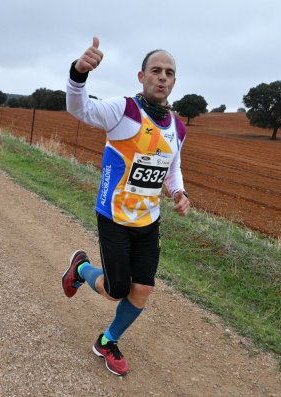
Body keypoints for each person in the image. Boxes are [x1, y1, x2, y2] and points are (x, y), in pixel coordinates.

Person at [62, 37, 190, 376]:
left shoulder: (177, 127)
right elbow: (80, 109)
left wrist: (180, 193)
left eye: (169, 73)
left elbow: (172, 167)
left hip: (148, 221)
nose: (162, 77)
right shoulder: (123, 110)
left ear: (174, 81)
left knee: (143, 288)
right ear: (141, 76)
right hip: (114, 216)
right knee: (117, 290)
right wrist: (78, 73)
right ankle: (81, 270)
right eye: (156, 71)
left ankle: (107, 341)